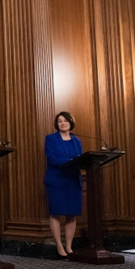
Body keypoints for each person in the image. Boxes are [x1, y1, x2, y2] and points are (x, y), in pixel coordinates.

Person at [44, 111, 83, 259]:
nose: (62, 123)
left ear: (70, 122)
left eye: (65, 121)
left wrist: (74, 161)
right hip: (57, 181)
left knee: (71, 214)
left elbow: (80, 158)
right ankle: (59, 246)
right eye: (60, 121)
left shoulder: (76, 140)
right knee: (55, 213)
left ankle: (69, 246)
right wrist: (70, 161)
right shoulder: (51, 139)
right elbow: (52, 158)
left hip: (73, 180)